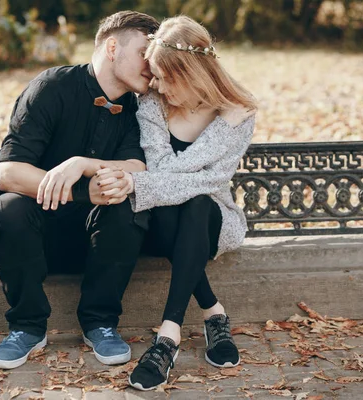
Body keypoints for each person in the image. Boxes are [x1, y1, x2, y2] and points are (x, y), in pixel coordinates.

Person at [0, 11, 159, 370]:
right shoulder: (52, 87)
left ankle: (101, 323)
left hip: (100, 244)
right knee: (8, 208)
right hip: (36, 239)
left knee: (125, 202)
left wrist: (87, 166)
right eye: (144, 52)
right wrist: (81, 192)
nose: (151, 64)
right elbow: (9, 173)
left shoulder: (140, 107)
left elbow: (138, 167)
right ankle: (27, 328)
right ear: (112, 47)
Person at [96, 15, 257, 390]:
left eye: (167, 78)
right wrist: (149, 180)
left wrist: (138, 183)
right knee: (179, 204)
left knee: (198, 203)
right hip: (163, 218)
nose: (157, 86)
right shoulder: (151, 103)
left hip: (212, 218)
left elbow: (211, 181)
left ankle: (166, 338)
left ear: (194, 72)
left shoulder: (238, 112)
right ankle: (211, 313)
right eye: (155, 75)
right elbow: (163, 168)